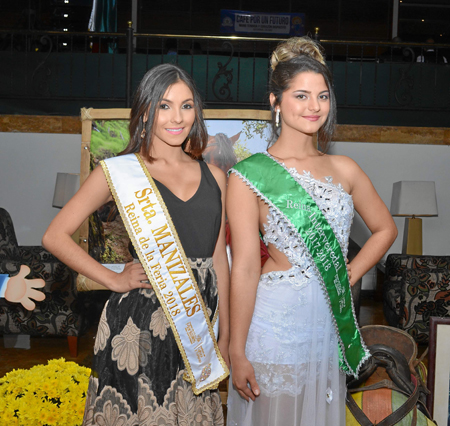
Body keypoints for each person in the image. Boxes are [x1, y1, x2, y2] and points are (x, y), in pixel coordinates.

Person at [42, 63, 230, 425]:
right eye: (164, 105)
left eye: (186, 105)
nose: (177, 117)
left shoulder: (216, 177)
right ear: (145, 111)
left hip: (198, 328)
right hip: (137, 328)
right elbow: (54, 235)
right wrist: (112, 279)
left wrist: (225, 339)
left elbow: (219, 260)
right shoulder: (120, 172)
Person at [226, 37, 397, 425]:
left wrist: (350, 272)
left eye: (322, 96)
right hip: (273, 323)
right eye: (301, 96)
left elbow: (385, 229)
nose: (314, 106)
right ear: (275, 100)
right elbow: (246, 268)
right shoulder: (248, 176)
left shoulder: (346, 169)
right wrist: (237, 350)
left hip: (324, 323)